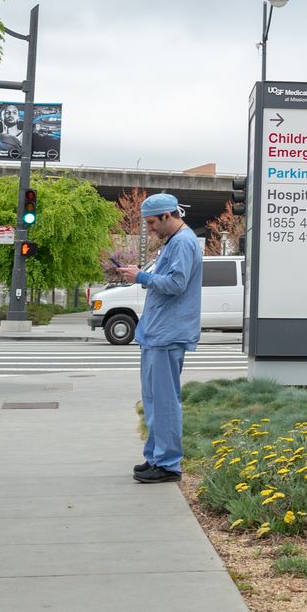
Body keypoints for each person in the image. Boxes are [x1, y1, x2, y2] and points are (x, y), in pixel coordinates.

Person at [132, 192, 202, 483]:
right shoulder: (177, 242)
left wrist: (140, 276)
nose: (150, 229)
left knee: (164, 400)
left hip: (168, 333)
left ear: (167, 216)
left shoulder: (184, 243)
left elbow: (176, 283)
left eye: (152, 223)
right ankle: (156, 457)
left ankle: (168, 464)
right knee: (153, 398)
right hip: (159, 332)